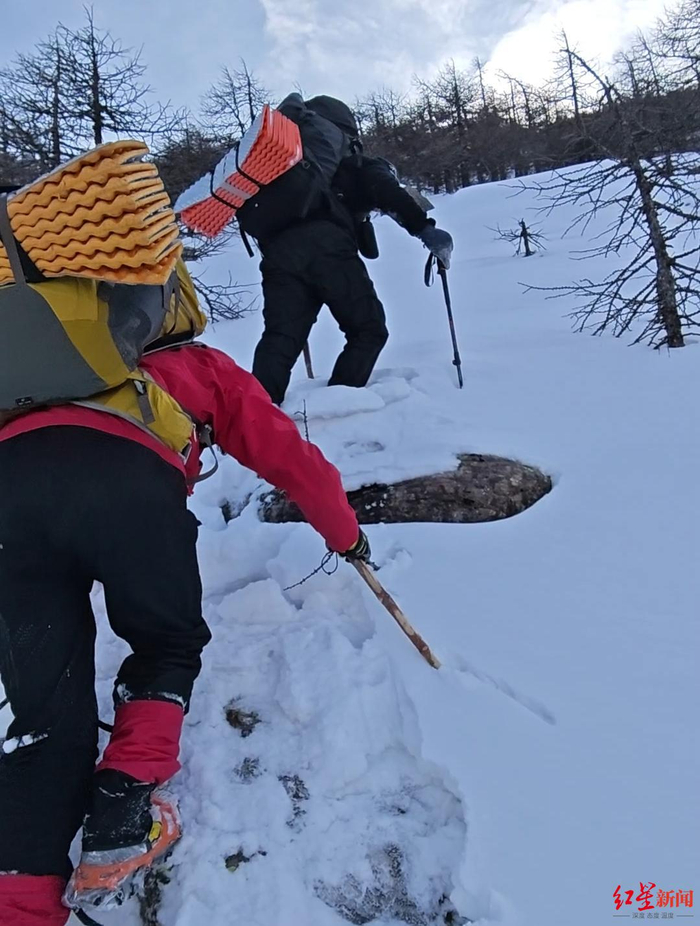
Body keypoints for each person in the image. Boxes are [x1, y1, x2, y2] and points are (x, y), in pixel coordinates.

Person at [0, 281, 371, 924]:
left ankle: (19, 906)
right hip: (130, 489)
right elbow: (290, 457)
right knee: (165, 643)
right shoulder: (197, 367)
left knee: (44, 711)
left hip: (10, 493)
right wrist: (347, 536)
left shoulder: (25, 380)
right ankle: (121, 812)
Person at [248, 95, 454, 406]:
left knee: (280, 339)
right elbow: (387, 191)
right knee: (368, 330)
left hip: (277, 253)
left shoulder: (291, 168)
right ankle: (339, 409)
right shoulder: (354, 163)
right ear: (347, 131)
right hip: (327, 247)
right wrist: (425, 229)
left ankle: (254, 417)